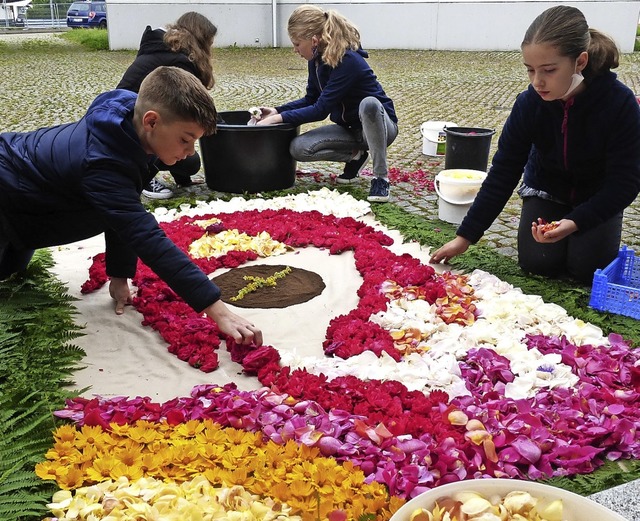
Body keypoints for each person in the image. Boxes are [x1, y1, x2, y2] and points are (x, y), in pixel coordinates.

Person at [0, 66, 262, 347]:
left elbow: (124, 202)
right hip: (9, 192)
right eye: (185, 140)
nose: (189, 152)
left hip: (30, 202)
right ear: (151, 122)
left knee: (12, 270)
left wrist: (119, 273)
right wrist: (217, 309)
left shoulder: (131, 123)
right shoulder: (102, 164)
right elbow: (143, 234)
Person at [430, 5, 640, 283]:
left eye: (549, 70)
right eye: (530, 70)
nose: (538, 82)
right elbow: (504, 170)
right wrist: (465, 236)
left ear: (580, 61)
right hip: (547, 189)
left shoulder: (619, 103)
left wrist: (576, 222)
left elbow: (626, 181)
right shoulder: (529, 103)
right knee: (538, 264)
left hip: (597, 195)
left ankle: (587, 233)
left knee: (587, 271)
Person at [256, 4, 398, 203]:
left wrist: (275, 120)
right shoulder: (315, 61)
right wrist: (276, 111)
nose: (295, 49)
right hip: (350, 130)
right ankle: (356, 156)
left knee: (369, 104)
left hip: (381, 128)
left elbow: (320, 110)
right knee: (299, 148)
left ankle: (380, 178)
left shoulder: (348, 60)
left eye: (297, 44)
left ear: (314, 40)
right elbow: (311, 99)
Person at [117, 12, 218, 200]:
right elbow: (188, 109)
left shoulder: (166, 50)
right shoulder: (181, 61)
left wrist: (184, 180)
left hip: (134, 114)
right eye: (210, 44)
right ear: (202, 39)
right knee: (183, 153)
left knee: (189, 161)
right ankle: (142, 178)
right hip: (134, 124)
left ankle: (175, 175)